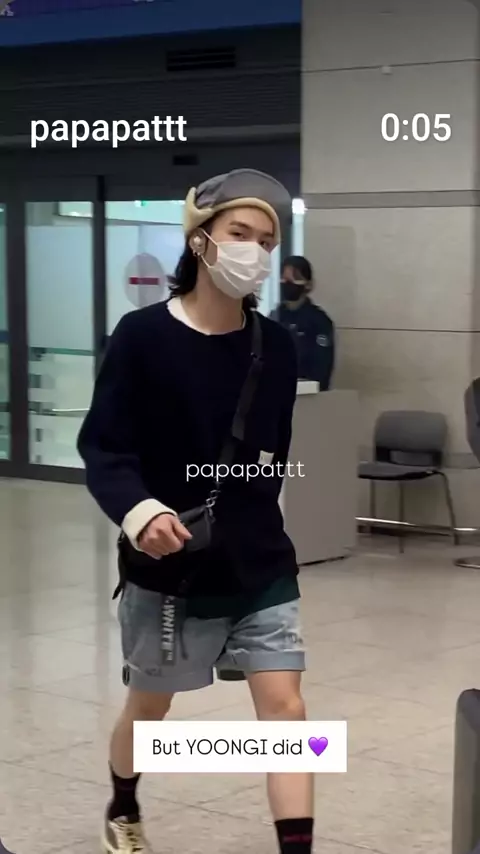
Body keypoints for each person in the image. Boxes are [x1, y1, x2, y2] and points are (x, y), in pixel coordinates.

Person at [77, 168, 314, 854]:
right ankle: (124, 804)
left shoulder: (276, 346)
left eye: (266, 241)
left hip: (260, 564)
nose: (255, 252)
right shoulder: (142, 336)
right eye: (240, 233)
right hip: (170, 567)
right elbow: (105, 446)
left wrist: (252, 522)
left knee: (288, 712)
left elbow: (270, 456)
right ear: (201, 239)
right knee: (150, 708)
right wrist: (141, 513)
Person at [273, 256, 335, 389]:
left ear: (308, 284)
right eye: (284, 278)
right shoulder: (275, 317)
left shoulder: (319, 321)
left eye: (295, 278)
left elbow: (322, 369)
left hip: (306, 393)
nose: (287, 283)